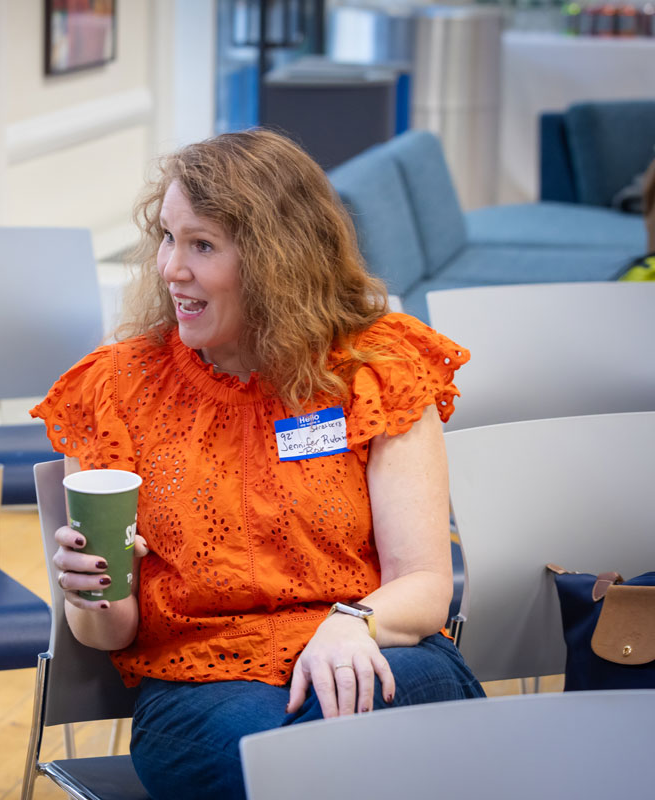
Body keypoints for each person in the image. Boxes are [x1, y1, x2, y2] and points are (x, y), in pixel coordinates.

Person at [32, 129, 484, 799]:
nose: (170, 269)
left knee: (425, 729)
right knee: (278, 759)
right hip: (206, 686)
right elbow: (110, 632)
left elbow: (422, 580)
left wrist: (354, 622)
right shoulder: (118, 388)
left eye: (202, 245)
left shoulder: (375, 370)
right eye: (168, 237)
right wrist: (89, 590)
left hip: (372, 646)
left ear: (279, 260)